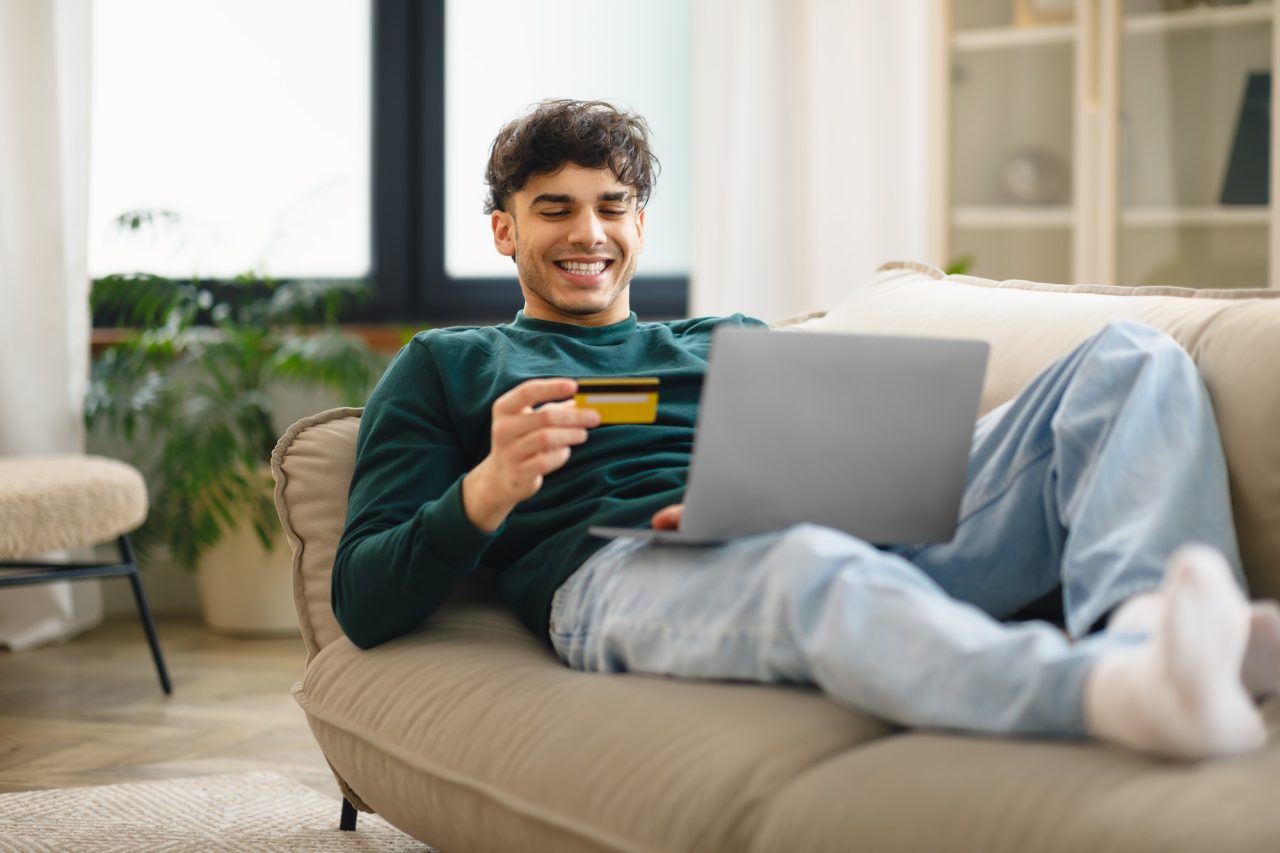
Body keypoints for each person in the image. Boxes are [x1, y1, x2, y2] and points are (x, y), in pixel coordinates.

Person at [334, 98, 1280, 760]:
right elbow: (364, 598)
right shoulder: (449, 364)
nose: (590, 232)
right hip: (619, 574)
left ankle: (1161, 631)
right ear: (504, 231)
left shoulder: (732, 338)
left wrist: (865, 473)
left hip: (852, 531)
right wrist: (488, 489)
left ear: (640, 222)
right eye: (555, 210)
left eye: (611, 206)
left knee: (1131, 357)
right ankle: (1117, 694)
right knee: (800, 563)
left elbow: (851, 465)